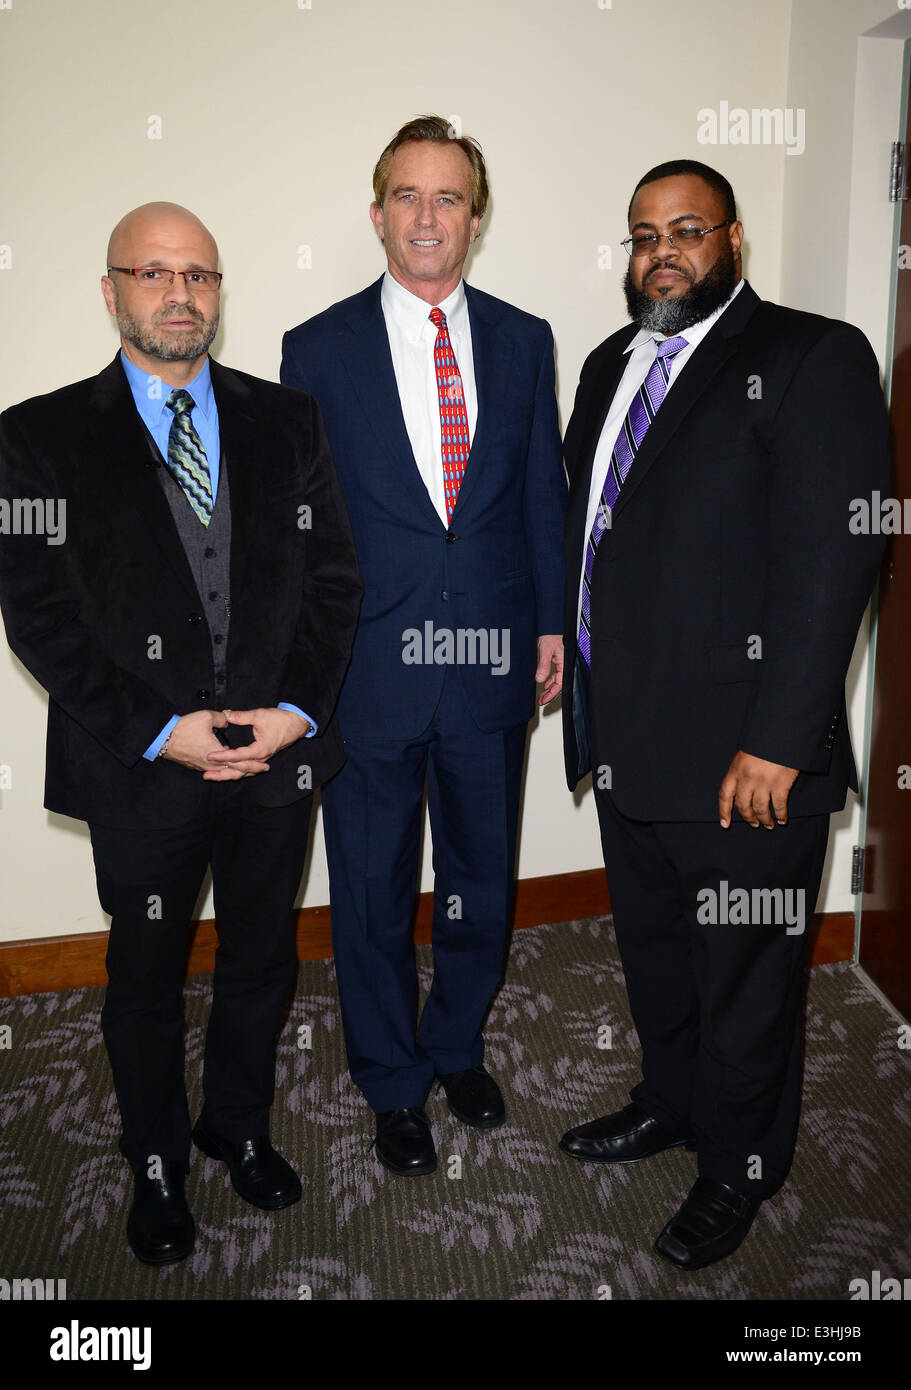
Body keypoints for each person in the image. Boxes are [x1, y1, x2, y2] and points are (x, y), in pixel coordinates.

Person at [0, 202, 362, 1264]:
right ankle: (154, 1158)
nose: (178, 293)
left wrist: (293, 715)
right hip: (143, 773)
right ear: (110, 292)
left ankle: (237, 1124)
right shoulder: (34, 437)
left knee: (261, 956)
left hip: (274, 767)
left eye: (197, 275)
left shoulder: (285, 421)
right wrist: (165, 730)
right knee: (144, 974)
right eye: (152, 273)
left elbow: (334, 581)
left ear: (218, 291)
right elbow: (39, 618)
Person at [559, 160, 889, 1268]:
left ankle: (740, 1166)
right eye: (642, 232)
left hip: (746, 755)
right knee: (656, 955)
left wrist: (779, 741)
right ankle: (668, 1099)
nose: (661, 250)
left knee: (746, 975)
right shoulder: (610, 363)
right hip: (628, 740)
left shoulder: (809, 354)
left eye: (686, 230)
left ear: (731, 241)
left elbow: (831, 561)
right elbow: (591, 532)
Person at [281, 116, 567, 1175]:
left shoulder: (524, 337)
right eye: (406, 195)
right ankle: (392, 1083)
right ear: (376, 214)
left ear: (475, 220)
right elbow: (302, 526)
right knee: (366, 889)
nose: (426, 216)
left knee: (480, 879)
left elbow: (542, 489)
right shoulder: (316, 349)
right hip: (370, 671)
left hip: (493, 662)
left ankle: (456, 1045)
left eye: (447, 198)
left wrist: (548, 622)